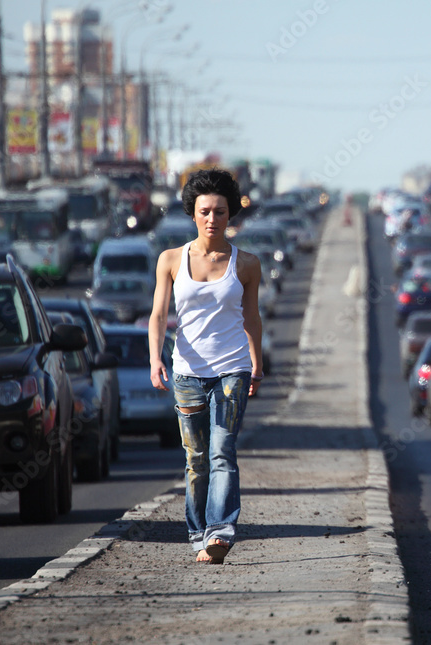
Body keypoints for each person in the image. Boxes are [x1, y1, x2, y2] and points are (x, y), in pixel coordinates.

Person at [148, 168, 264, 565]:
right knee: (195, 458)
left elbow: (252, 318)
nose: (212, 219)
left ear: (230, 215)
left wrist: (257, 364)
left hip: (232, 368)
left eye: (219, 211)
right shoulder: (170, 260)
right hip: (186, 373)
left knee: (221, 451)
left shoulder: (246, 264)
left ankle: (220, 531)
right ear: (192, 214)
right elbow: (158, 315)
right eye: (205, 211)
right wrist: (154, 360)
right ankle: (198, 532)